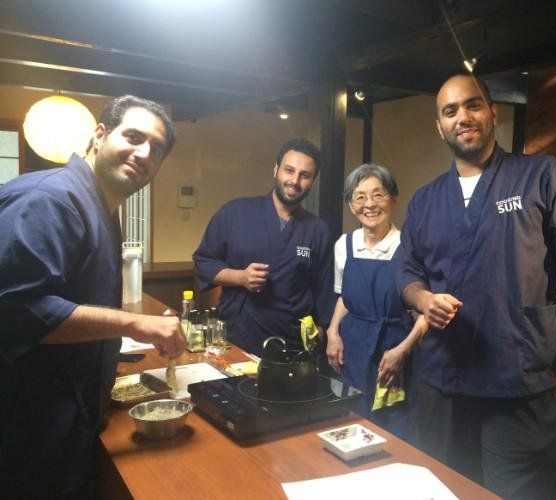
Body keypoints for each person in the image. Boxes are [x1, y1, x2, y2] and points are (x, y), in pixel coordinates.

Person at [396, 74, 556, 499]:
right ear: (439, 126)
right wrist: (422, 299)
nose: (463, 117)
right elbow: (406, 272)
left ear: (493, 112)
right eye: (450, 111)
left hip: (521, 389)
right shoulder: (425, 200)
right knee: (447, 491)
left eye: (473, 105)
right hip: (443, 386)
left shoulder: (543, 177)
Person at [0, 95, 186, 496]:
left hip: (71, 415)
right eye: (133, 136)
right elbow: (18, 311)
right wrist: (138, 322)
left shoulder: (101, 207)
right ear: (100, 135)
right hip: (29, 423)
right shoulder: (52, 199)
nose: (143, 153)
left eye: (156, 149)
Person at [193, 139, 334, 356]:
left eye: (304, 175)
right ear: (276, 169)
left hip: (292, 343)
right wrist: (240, 277)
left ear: (313, 181)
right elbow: (204, 262)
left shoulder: (317, 230)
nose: (294, 181)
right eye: (289, 170)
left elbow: (323, 293)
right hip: (238, 336)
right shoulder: (235, 212)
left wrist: (320, 340)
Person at [326, 164, 427, 439]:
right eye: (359, 197)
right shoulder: (344, 245)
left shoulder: (409, 246)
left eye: (378, 195)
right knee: (350, 425)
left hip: (394, 352)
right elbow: (345, 297)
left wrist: (402, 352)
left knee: (393, 431)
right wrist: (333, 332)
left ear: (393, 199)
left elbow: (425, 314)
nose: (369, 204)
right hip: (353, 351)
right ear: (350, 205)